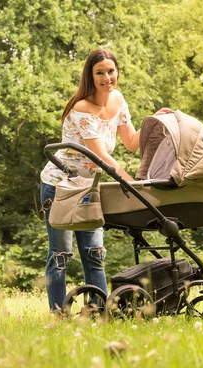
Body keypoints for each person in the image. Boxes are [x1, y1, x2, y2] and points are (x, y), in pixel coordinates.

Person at [39, 49, 140, 312]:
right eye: (100, 73)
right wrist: (131, 183)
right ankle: (58, 315)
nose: (107, 77)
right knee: (60, 255)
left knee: (95, 254)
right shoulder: (82, 109)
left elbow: (131, 142)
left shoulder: (118, 100)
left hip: (88, 187)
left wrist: (157, 122)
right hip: (60, 185)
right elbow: (102, 157)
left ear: (117, 72)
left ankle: (99, 312)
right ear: (90, 76)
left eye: (111, 71)